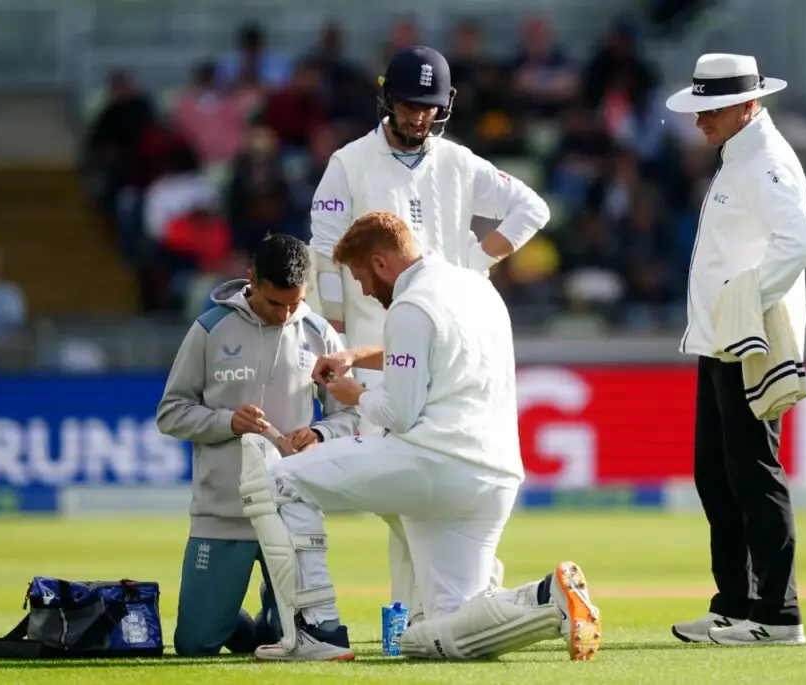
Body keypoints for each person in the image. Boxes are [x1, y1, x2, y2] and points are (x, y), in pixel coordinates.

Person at [238, 212, 601, 661]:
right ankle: (546, 600)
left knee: (279, 482)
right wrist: (356, 355)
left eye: (361, 278)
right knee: (431, 632)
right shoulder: (474, 286)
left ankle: (318, 630)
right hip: (493, 477)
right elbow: (430, 348)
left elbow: (400, 415)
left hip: (433, 462)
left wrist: (355, 394)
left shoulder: (411, 306)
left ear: (380, 261)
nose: (365, 291)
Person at [305, 43, 551, 622]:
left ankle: (437, 610)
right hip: (376, 352)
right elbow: (323, 260)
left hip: (451, 349)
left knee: (424, 487)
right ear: (387, 99)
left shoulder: (460, 163)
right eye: (409, 105)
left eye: (428, 107)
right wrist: (336, 338)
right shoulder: (350, 162)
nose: (418, 117)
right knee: (403, 496)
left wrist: (471, 261)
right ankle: (450, 605)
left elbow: (530, 208)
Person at [664, 54, 806, 646]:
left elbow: (798, 242)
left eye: (712, 108)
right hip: (720, 338)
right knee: (717, 474)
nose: (700, 119)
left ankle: (779, 615)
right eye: (698, 107)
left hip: (746, 340)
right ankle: (734, 604)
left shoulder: (767, 161)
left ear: (747, 105)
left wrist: (748, 303)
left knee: (754, 473)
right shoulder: (741, 156)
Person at [156, 233, 360, 656]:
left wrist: (320, 434)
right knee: (195, 646)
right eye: (274, 303)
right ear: (251, 279)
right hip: (223, 512)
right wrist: (227, 421)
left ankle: (273, 625)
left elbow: (352, 415)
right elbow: (171, 412)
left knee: (294, 641)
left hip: (294, 512)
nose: (285, 314)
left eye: (295, 303)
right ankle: (246, 623)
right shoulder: (209, 329)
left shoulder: (320, 333)